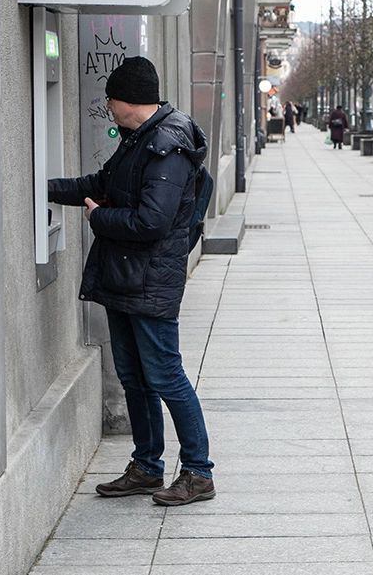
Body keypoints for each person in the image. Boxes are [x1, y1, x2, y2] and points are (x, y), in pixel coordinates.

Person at [48, 57, 216, 506]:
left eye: (111, 98)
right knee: (134, 377)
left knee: (164, 374)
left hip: (150, 281)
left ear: (127, 101)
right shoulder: (138, 139)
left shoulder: (167, 146)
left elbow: (152, 222)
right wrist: (41, 187)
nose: (107, 106)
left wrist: (99, 217)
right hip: (126, 277)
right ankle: (147, 466)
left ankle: (199, 472)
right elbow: (101, 183)